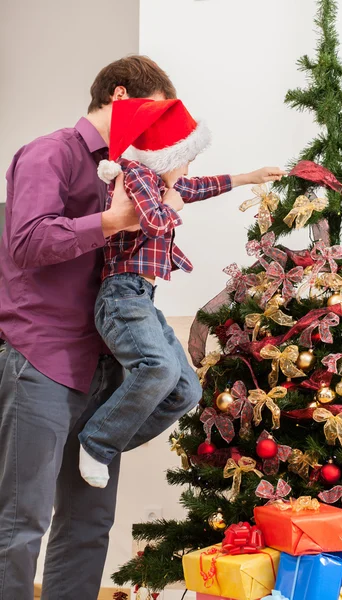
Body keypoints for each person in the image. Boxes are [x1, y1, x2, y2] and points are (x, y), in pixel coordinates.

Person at [0, 56, 177, 600]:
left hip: (105, 365)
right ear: (120, 96)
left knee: (88, 526)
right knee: (21, 523)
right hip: (41, 357)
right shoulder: (48, 153)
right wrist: (113, 220)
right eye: (155, 115)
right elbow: (27, 241)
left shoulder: (130, 170)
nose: (159, 131)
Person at [77, 97, 286, 488]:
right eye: (185, 159)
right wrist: (173, 200)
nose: (189, 170)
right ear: (165, 156)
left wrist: (247, 177)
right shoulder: (136, 174)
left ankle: (102, 441)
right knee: (158, 369)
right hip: (121, 295)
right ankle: (95, 441)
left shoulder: (161, 181)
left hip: (141, 297)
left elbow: (198, 187)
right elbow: (155, 224)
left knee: (185, 391)